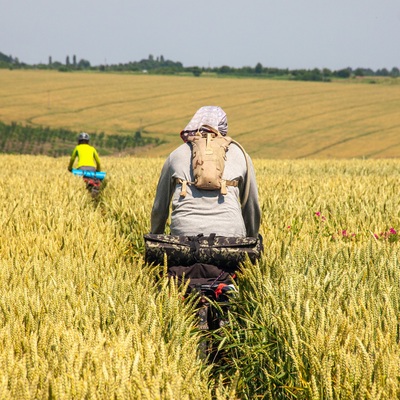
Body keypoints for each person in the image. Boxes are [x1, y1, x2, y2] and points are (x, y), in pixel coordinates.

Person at [150, 106, 261, 238]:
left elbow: (159, 208)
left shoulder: (176, 155)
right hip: (231, 235)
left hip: (184, 235)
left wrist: (156, 237)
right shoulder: (241, 155)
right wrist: (251, 239)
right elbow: (252, 207)